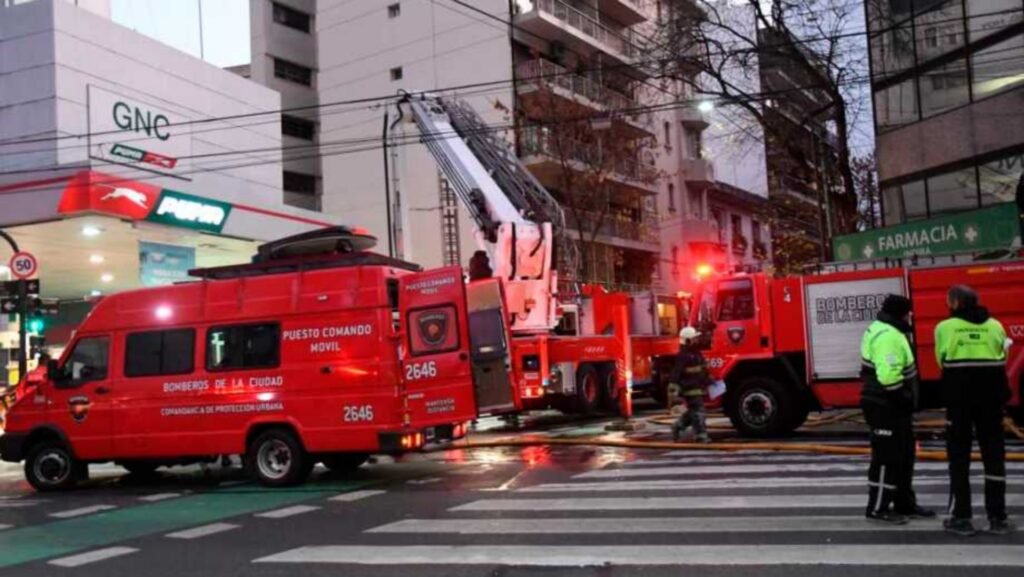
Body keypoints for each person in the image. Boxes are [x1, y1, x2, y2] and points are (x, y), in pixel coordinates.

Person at [936, 285, 1016, 536]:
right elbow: (1003, 355)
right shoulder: (995, 326)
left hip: (959, 402)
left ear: (956, 303)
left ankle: (961, 517)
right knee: (994, 458)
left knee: (959, 459)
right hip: (991, 401)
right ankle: (998, 517)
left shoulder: (945, 328)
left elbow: (942, 359)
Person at [860, 294, 934, 524]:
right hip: (885, 405)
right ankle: (878, 507)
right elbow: (889, 377)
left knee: (904, 455)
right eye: (908, 312)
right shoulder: (888, 336)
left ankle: (904, 503)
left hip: (890, 405)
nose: (911, 316)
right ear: (901, 313)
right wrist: (904, 398)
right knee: (886, 458)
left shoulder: (885, 329)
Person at [668, 326, 711, 443]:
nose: (696, 340)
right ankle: (700, 435)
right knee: (699, 411)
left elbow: (702, 370)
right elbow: (676, 372)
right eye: (694, 338)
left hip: (698, 387)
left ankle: (678, 425)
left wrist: (709, 381)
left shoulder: (697, 354)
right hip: (690, 388)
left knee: (693, 411)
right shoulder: (683, 356)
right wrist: (673, 387)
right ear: (687, 341)